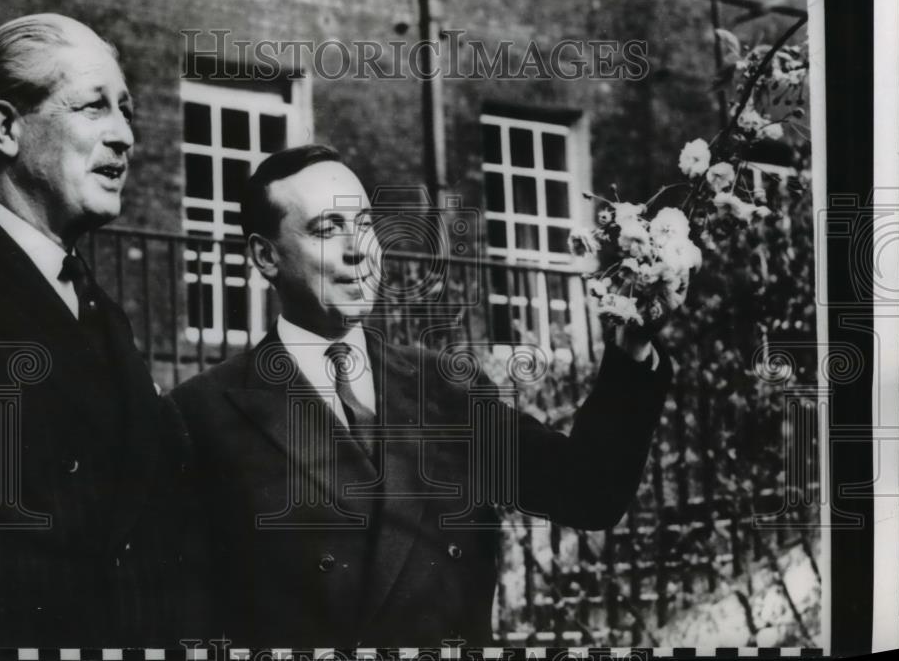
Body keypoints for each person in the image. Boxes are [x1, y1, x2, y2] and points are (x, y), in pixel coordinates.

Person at [173, 144, 674, 646]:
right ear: (265, 256)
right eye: (327, 229)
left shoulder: (445, 388)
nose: (358, 249)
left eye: (364, 224)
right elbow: (186, 617)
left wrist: (632, 350)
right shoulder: (202, 413)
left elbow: (588, 493)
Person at [0, 14, 201, 649]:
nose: (125, 136)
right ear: (6, 128)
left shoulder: (105, 314)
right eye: (93, 107)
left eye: (126, 111)